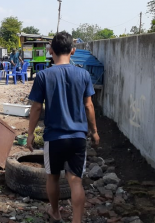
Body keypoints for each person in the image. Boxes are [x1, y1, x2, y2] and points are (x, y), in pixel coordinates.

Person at [26, 32, 100, 223]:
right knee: (75, 180)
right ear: (73, 50)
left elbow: (36, 108)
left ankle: (55, 212)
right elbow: (89, 106)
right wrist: (94, 132)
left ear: (51, 51)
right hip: (78, 137)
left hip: (54, 137)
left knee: (53, 177)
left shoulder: (43, 76)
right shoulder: (83, 74)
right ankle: (76, 221)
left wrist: (30, 134)